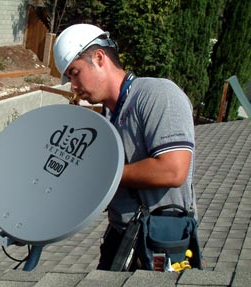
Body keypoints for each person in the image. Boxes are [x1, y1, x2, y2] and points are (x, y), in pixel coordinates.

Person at [53, 24, 197, 271]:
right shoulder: (109, 115)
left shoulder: (157, 94)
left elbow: (173, 170)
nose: (73, 86)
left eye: (75, 73)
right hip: (122, 235)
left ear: (99, 58)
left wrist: (102, 175)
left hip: (159, 241)